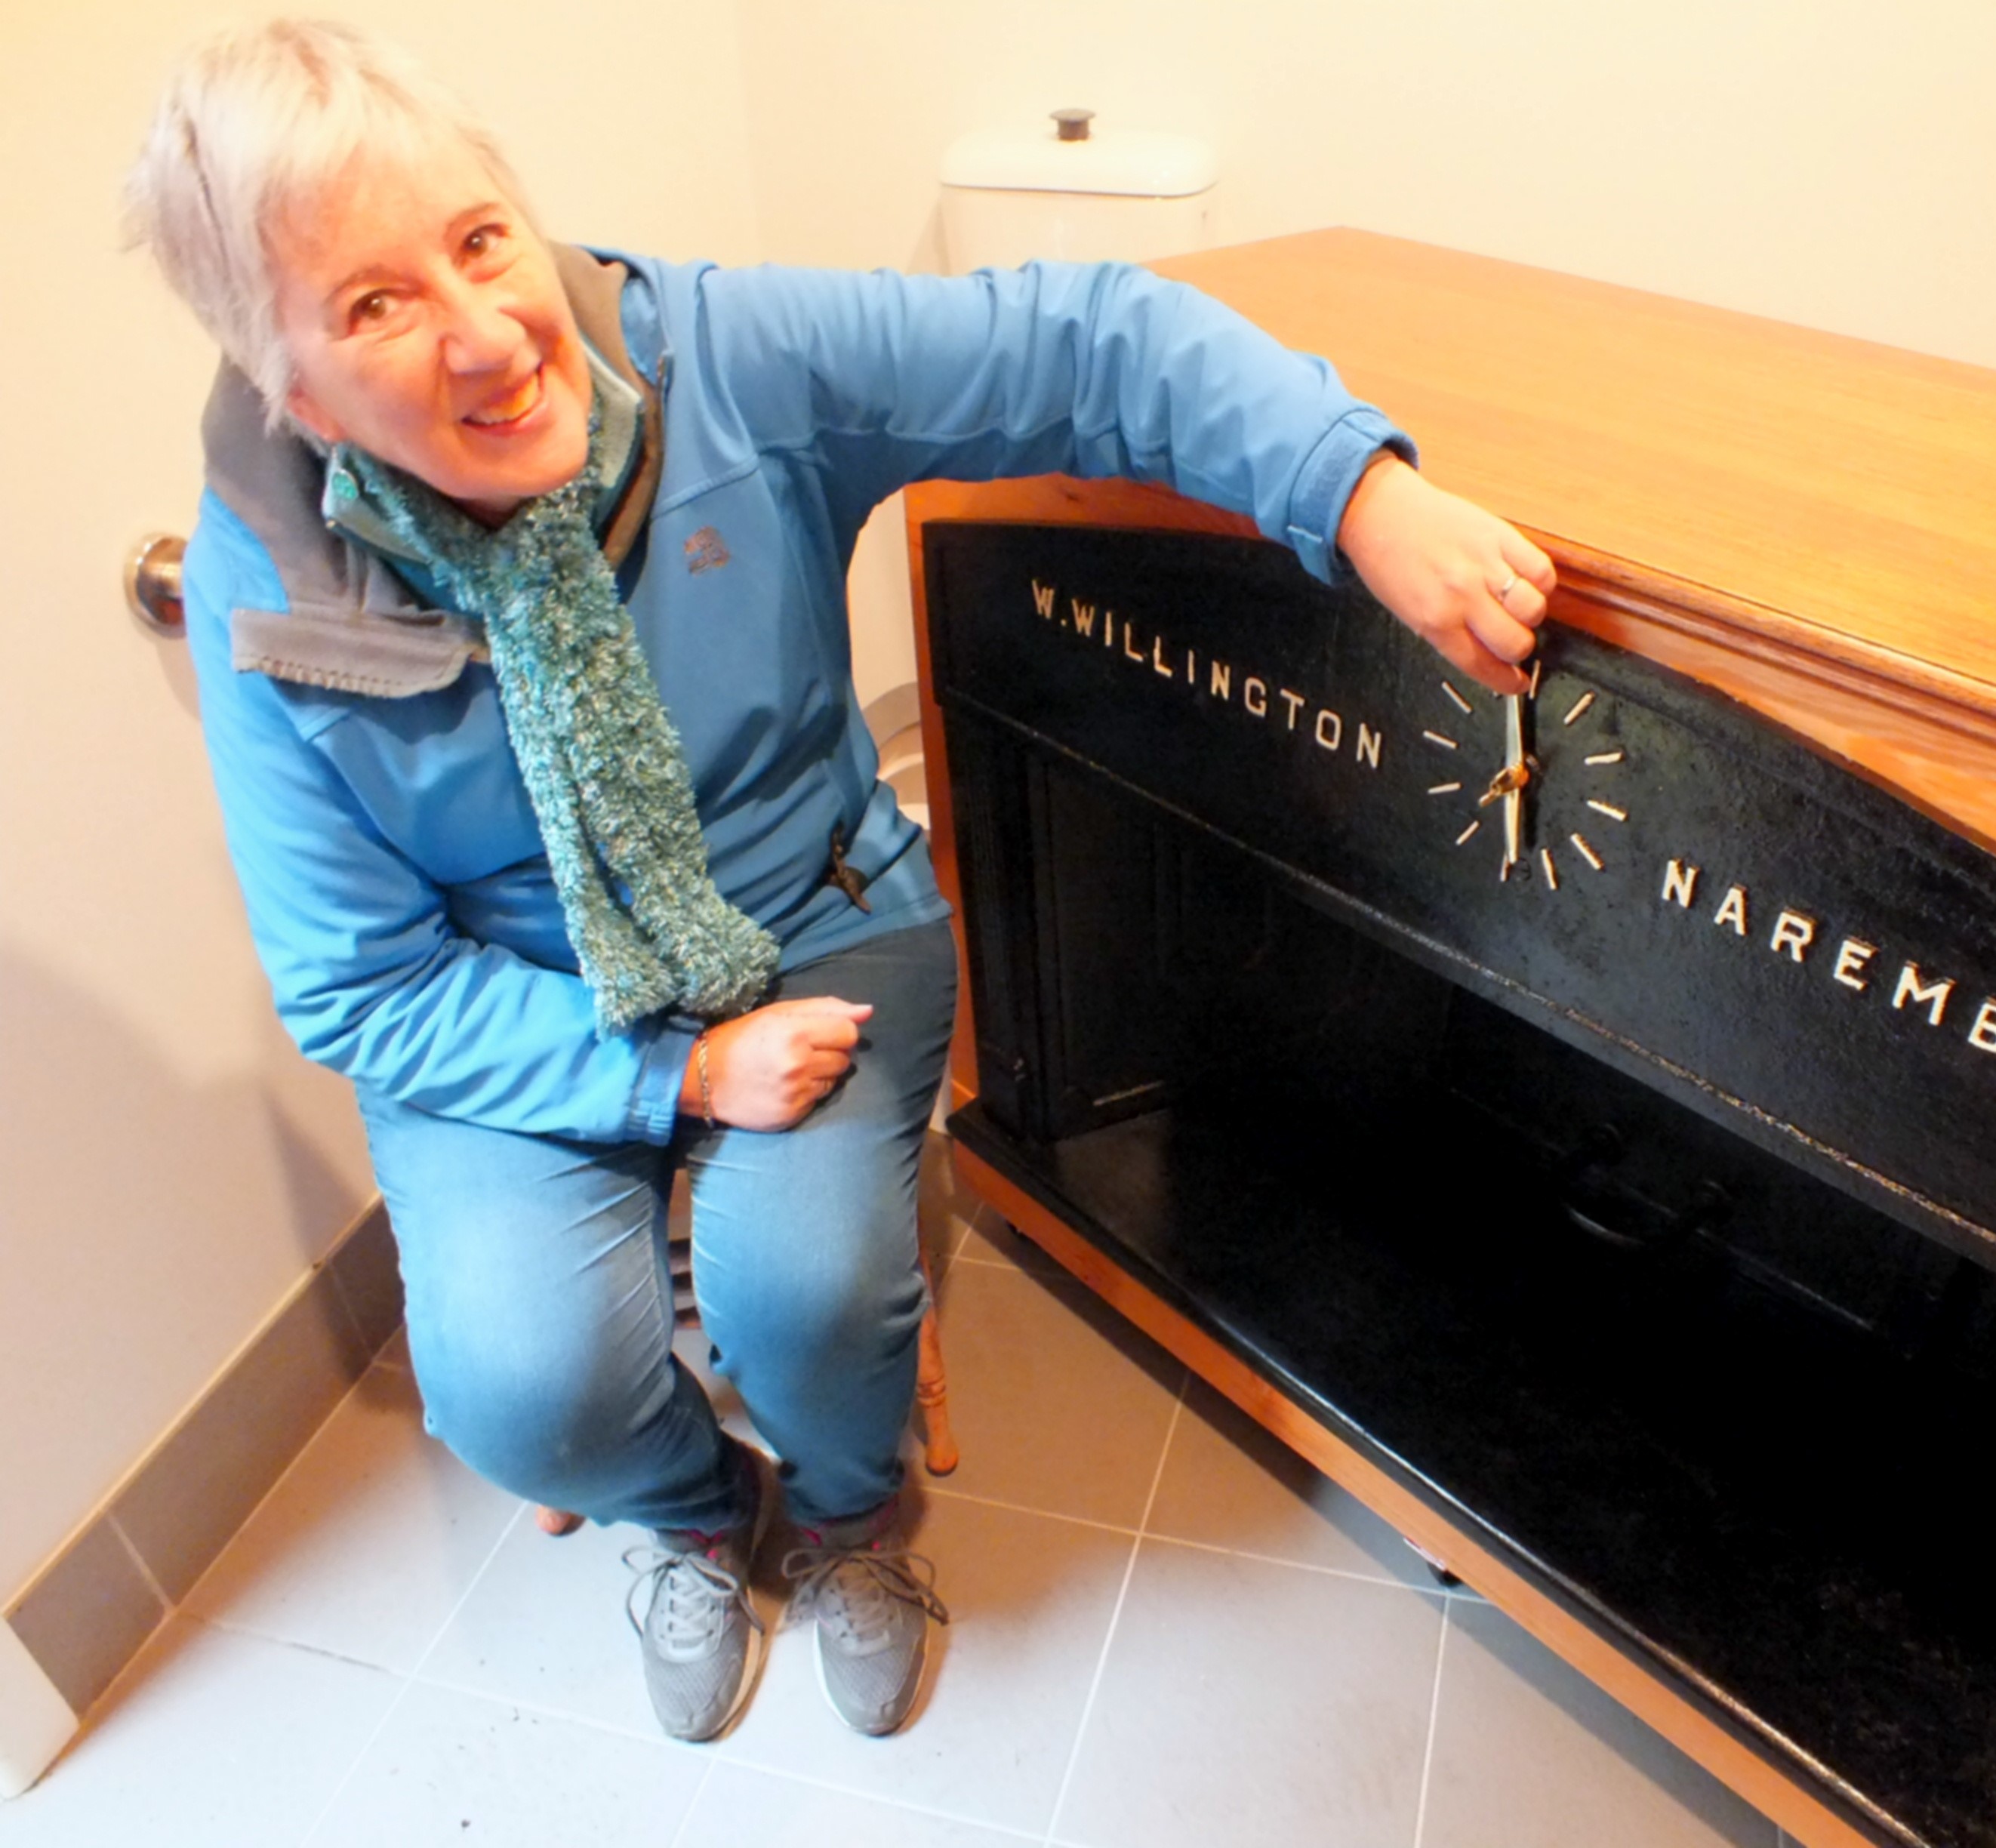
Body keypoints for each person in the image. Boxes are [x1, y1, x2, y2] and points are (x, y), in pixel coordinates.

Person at [126, 19, 1555, 1745]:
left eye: (480, 238)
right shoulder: (264, 593)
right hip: (524, 996)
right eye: (372, 306)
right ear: (290, 394)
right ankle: (690, 1509)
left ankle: (857, 1515)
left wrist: (1358, 493)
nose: (490, 334)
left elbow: (1089, 338)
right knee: (522, 1393)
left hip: (804, 911)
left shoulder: (717, 356)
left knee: (807, 1300)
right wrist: (666, 1073)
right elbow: (362, 987)